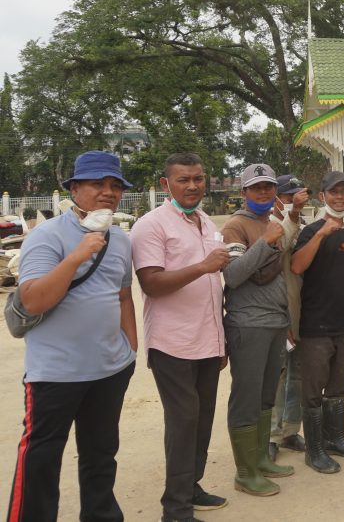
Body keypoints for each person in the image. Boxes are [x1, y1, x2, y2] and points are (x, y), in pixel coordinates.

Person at [6, 150, 137, 521]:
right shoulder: (46, 236)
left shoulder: (120, 239)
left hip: (110, 369)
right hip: (55, 374)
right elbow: (32, 300)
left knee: (101, 455)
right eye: (97, 184)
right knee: (41, 459)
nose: (108, 192)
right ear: (75, 188)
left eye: (115, 186)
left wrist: (130, 347)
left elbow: (123, 295)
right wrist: (77, 256)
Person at [131, 153, 231, 522]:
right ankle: (175, 509)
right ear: (165, 184)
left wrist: (221, 340)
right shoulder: (151, 225)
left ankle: (191, 486)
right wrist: (203, 266)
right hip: (172, 343)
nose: (192, 186)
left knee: (202, 418)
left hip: (208, 340)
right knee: (184, 420)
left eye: (198, 179)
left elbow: (213, 288)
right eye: (183, 179)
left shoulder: (205, 222)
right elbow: (152, 283)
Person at [222, 163, 294, 497]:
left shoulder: (272, 222)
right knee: (246, 398)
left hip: (275, 322)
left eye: (268, 187)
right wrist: (265, 242)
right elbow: (234, 275)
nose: (263, 193)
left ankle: (262, 459)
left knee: (266, 396)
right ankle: (245, 472)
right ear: (244, 192)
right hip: (249, 323)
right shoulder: (235, 226)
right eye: (256, 188)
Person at [290, 171, 344, 472]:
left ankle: (335, 438)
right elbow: (297, 266)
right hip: (315, 325)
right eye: (334, 192)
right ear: (322, 196)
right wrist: (321, 234)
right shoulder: (310, 231)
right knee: (313, 389)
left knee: (339, 385)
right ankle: (314, 450)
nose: (340, 197)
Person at [268, 174, 309, 462]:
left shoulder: (302, 226)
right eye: (288, 197)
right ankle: (271, 435)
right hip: (278, 310)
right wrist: (292, 214)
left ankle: (291, 430)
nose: (294, 201)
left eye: (297, 196)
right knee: (277, 376)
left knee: (298, 375)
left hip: (303, 309)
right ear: (276, 198)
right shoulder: (269, 226)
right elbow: (280, 246)